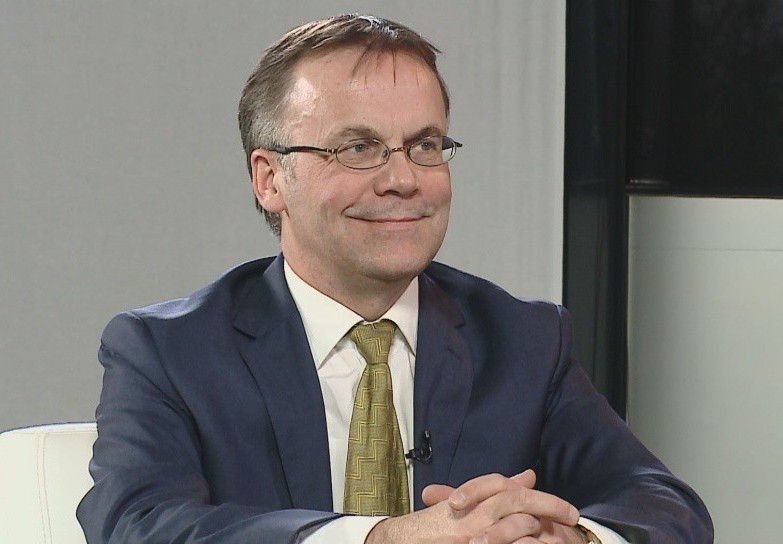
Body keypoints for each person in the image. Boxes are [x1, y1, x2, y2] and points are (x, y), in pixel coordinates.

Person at [76, 13, 713, 544]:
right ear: (270, 179)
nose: (404, 179)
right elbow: (137, 524)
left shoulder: (523, 339)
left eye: (425, 145)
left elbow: (664, 505)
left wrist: (573, 539)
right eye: (358, 148)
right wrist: (382, 538)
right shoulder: (168, 351)